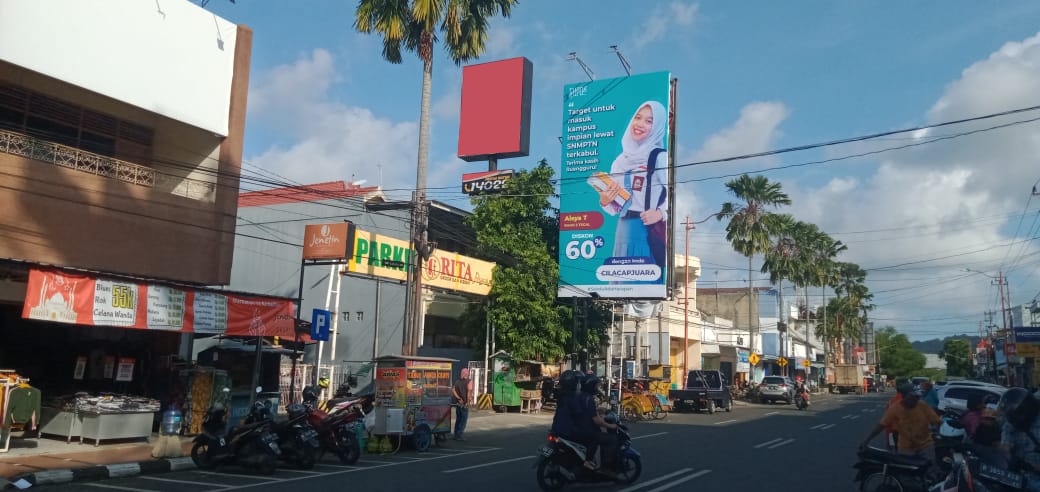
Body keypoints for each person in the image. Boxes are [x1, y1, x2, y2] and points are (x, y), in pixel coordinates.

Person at [595, 101, 669, 281]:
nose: (640, 124)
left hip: (646, 231)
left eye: (649, 121)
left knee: (645, 282)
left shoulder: (659, 157)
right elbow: (616, 208)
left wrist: (660, 213)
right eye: (638, 117)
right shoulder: (620, 161)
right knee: (621, 282)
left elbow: (675, 195)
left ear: (658, 126)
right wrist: (605, 201)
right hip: (622, 230)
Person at [861, 385, 941, 467]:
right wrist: (867, 440)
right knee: (906, 474)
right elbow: (882, 425)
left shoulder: (922, 405)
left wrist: (939, 435)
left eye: (917, 397)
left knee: (929, 470)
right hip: (906, 448)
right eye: (912, 397)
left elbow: (937, 421)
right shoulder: (895, 409)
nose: (915, 400)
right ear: (904, 397)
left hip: (925, 446)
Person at [575, 375, 620, 473]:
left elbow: (586, 412)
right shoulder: (588, 399)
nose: (597, 388)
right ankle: (605, 468)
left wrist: (599, 411)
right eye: (596, 386)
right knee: (611, 439)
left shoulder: (579, 396)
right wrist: (610, 425)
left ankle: (589, 460)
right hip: (586, 430)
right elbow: (597, 421)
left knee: (597, 437)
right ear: (591, 386)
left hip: (577, 429)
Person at [998, 387, 1040, 489]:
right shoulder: (1011, 424)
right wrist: (1007, 455)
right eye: (1011, 416)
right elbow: (1005, 444)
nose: (1013, 419)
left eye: (1016, 415)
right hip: (1021, 478)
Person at [452, 368, 471, 441]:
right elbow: (469, 392)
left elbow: (453, 390)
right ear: (467, 373)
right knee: (463, 420)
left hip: (458, 403)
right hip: (464, 404)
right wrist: (468, 402)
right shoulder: (469, 381)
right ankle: (460, 435)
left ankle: (456, 434)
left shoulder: (457, 382)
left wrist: (458, 398)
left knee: (458, 419)